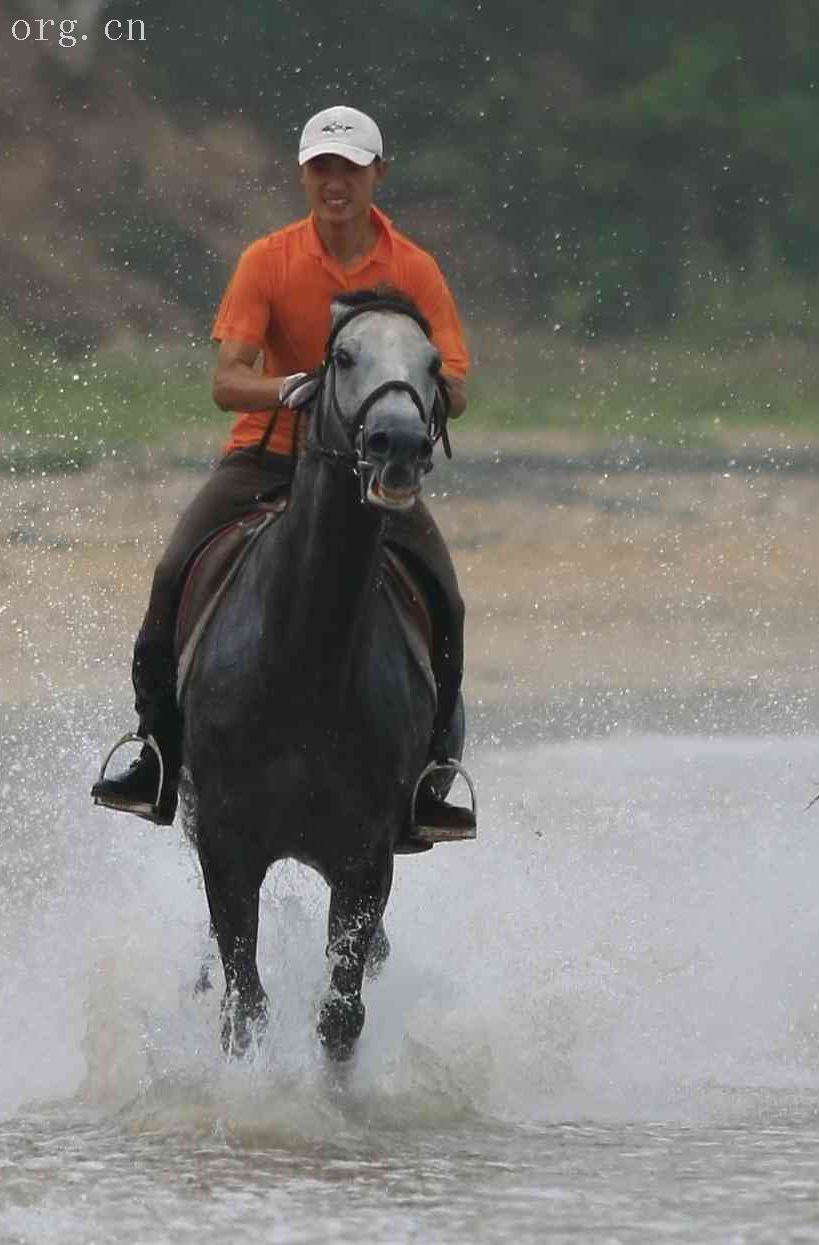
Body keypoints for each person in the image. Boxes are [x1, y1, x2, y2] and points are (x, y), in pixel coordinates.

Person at [92, 105, 477, 846]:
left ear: (377, 176)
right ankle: (157, 755)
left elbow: (454, 383)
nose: (335, 183)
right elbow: (226, 380)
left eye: (351, 168)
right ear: (304, 175)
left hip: (372, 471)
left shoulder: (414, 270)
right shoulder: (267, 260)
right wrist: (293, 387)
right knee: (172, 575)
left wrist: (406, 388)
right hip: (266, 456)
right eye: (321, 168)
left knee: (446, 602)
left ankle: (432, 778)